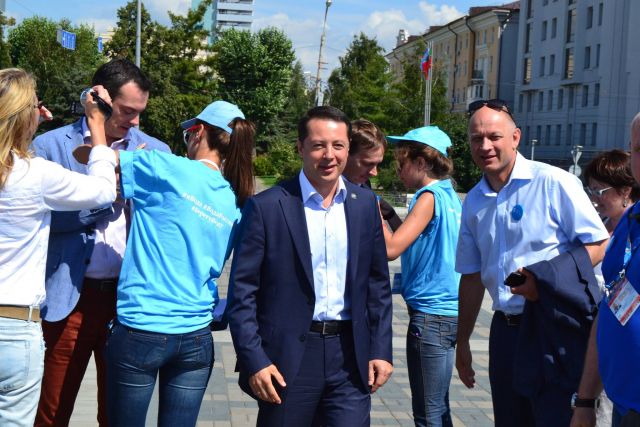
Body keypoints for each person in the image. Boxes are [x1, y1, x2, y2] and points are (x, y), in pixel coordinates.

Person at [227, 106, 393, 426]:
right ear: (301, 147)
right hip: (288, 360)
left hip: (350, 358)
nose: (329, 155)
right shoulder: (267, 207)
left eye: (338, 145)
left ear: (347, 148)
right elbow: (242, 293)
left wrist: (381, 349)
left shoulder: (363, 207)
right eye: (318, 145)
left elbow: (378, 286)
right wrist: (255, 360)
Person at [32, 58, 170, 427]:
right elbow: (44, 220)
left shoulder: (156, 152)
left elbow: (164, 226)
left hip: (129, 304)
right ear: (100, 98)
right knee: (52, 410)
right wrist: (107, 194)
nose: (136, 121)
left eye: (141, 112)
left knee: (120, 414)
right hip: (67, 299)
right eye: (128, 111)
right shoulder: (50, 147)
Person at [455, 99, 609, 426]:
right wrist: (463, 341)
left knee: (556, 418)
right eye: (476, 138)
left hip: (555, 326)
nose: (485, 146)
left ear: (515, 138)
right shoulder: (474, 202)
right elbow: (471, 277)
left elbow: (598, 244)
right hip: (506, 331)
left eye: (494, 136)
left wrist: (547, 278)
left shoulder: (553, 182)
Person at [104, 100, 255, 426]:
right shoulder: (234, 199)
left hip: (141, 327)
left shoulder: (166, 166)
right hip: (196, 335)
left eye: (189, 131)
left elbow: (97, 158)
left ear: (198, 132)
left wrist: (94, 118)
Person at [0, 69, 116, 426]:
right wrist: (97, 126)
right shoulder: (33, 174)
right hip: (15, 324)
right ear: (27, 117)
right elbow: (102, 190)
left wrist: (28, 122)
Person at [382, 126, 461, 427]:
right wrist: (391, 216)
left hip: (430, 317)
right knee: (439, 409)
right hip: (450, 313)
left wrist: (372, 217)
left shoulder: (427, 196)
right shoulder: (448, 194)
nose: (398, 168)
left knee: (427, 415)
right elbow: (422, 239)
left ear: (423, 162)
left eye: (402, 160)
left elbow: (392, 248)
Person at [570, 114, 640, 427]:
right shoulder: (629, 222)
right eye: (639, 148)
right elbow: (610, 310)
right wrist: (585, 399)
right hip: (623, 404)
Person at [343, 119, 402, 231]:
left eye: (377, 164)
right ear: (345, 154)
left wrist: (390, 214)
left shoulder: (365, 185)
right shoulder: (324, 191)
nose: (374, 173)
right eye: (367, 163)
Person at [584, 149, 640, 235]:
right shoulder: (595, 224)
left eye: (598, 192)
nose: (593, 199)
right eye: (591, 192)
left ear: (625, 190)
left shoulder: (636, 230)